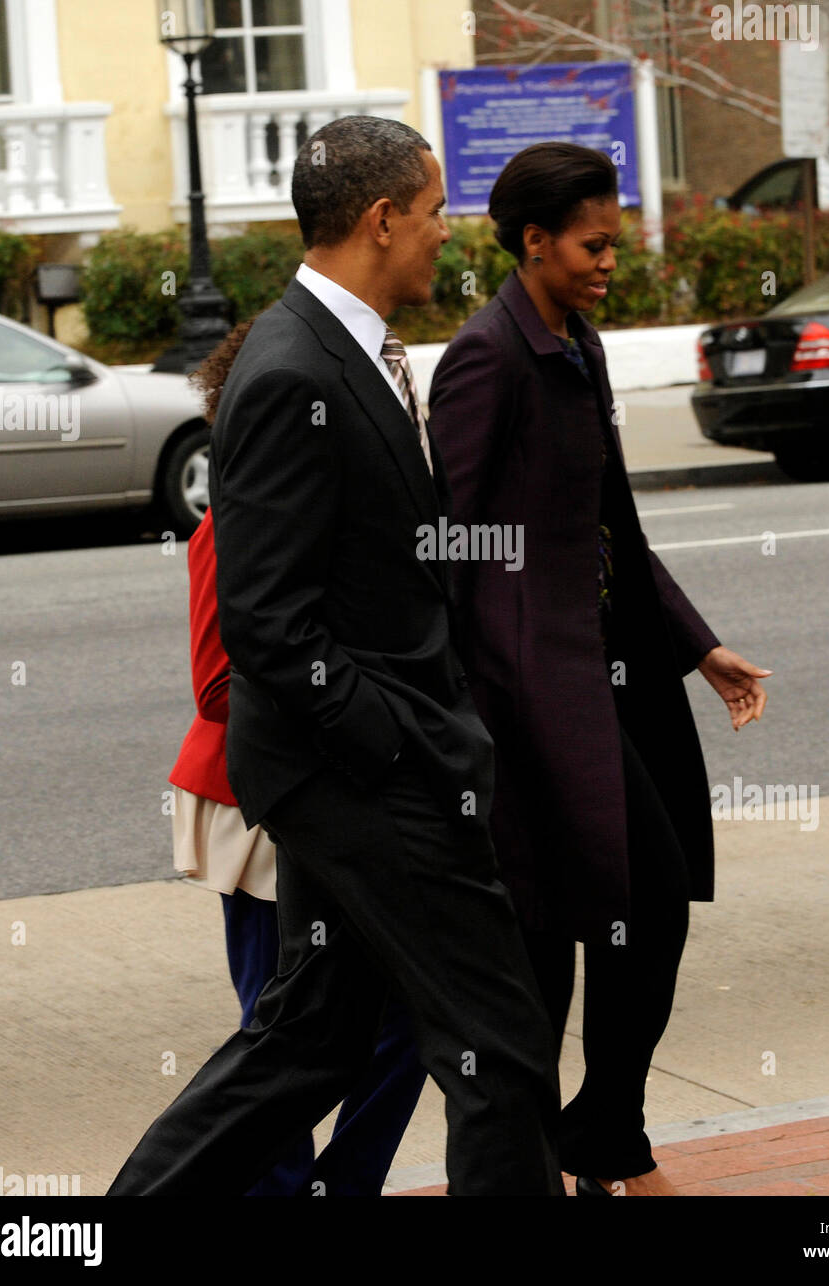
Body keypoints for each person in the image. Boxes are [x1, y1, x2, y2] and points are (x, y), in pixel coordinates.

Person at [107, 115, 565, 1197]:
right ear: (381, 217)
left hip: (350, 774)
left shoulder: (349, 352)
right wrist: (404, 744)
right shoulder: (286, 369)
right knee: (498, 1048)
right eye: (436, 209)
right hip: (364, 780)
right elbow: (266, 620)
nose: (446, 234)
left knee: (304, 1043)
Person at [427, 141, 772, 1198]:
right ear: (533, 240)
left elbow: (610, 520)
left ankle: (603, 1131)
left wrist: (695, 644)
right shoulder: (485, 357)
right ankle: (584, 1146)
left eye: (613, 244)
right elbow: (448, 539)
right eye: (592, 244)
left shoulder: (578, 340)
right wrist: (486, 687)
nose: (607, 262)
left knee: (647, 905)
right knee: (575, 925)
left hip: (618, 670)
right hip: (533, 696)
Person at [166, 319, 427, 1196]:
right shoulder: (233, 516)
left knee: (408, 1021)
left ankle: (338, 1187)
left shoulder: (361, 497)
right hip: (257, 807)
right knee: (276, 1029)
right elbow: (216, 688)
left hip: (349, 797)